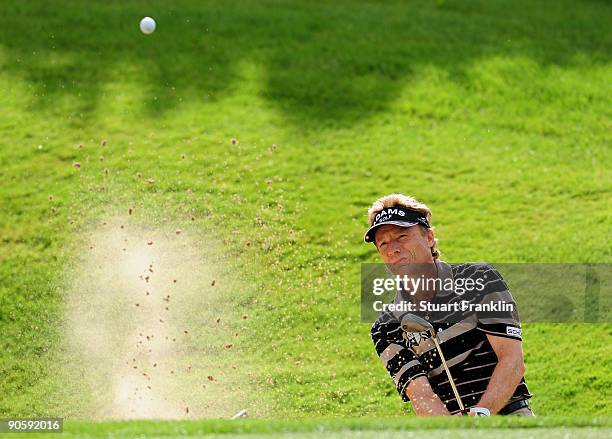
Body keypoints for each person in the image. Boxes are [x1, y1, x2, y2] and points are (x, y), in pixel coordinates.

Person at [366, 194, 534, 416]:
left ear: (430, 238)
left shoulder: (480, 280)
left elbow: (512, 360)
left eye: (402, 236)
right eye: (383, 243)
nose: (392, 249)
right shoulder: (386, 327)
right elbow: (421, 396)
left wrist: (482, 415)